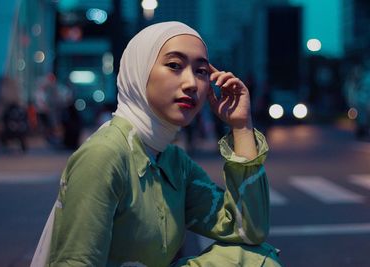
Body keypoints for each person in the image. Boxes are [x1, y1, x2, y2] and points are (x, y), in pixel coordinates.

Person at [31, 21, 281, 267]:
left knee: (256, 260)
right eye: (174, 65)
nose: (191, 84)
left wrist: (241, 126)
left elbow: (248, 229)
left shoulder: (172, 161)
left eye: (201, 71)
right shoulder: (105, 155)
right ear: (140, 71)